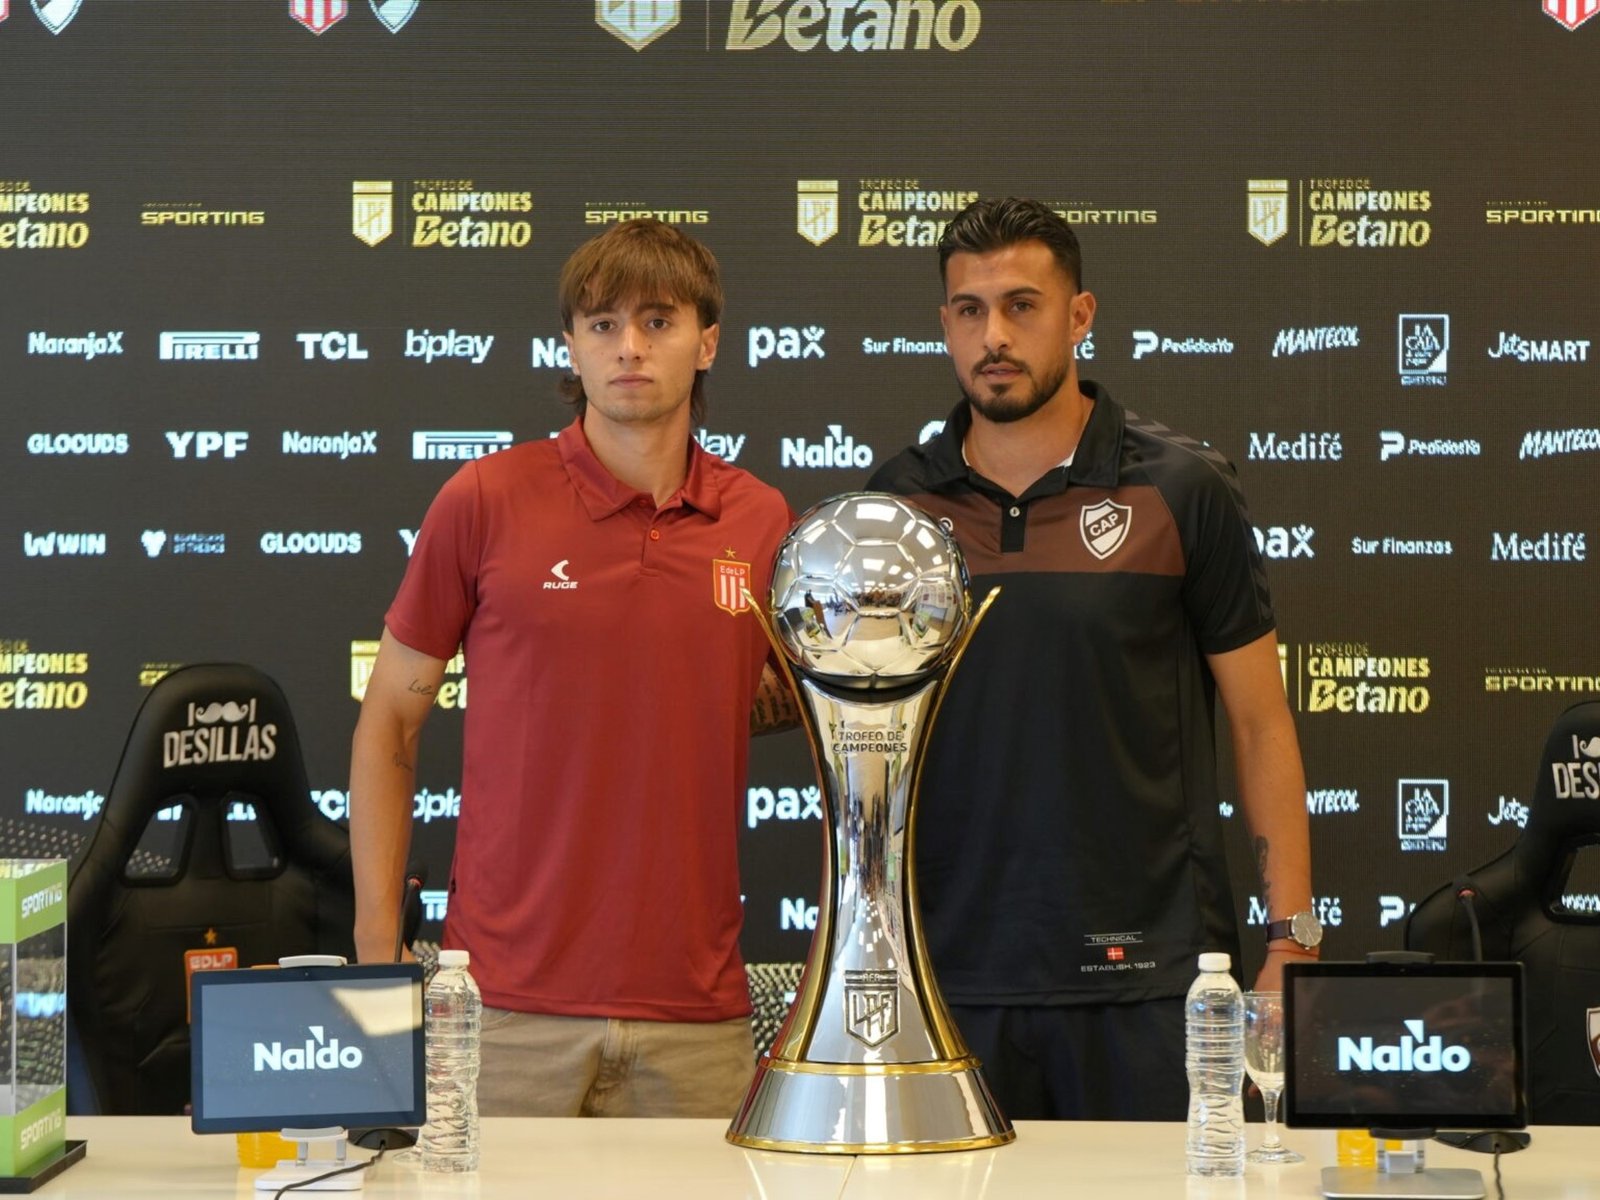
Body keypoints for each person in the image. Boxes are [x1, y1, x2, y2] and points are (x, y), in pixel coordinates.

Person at [868, 197, 1315, 1120]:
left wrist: (1292, 943)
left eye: (1022, 306)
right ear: (945, 324)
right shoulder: (895, 505)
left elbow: (1261, 722)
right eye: (969, 310)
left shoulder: (1181, 489)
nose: (993, 336)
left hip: (1155, 981)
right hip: (951, 975)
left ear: (1080, 316)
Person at [349, 218, 795, 1118]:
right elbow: (390, 721)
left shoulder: (762, 520)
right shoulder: (484, 499)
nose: (629, 347)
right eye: (601, 324)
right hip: (507, 1005)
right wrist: (375, 950)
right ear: (572, 347)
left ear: (708, 342)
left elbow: (804, 716)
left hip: (696, 1011)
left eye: (658, 321)